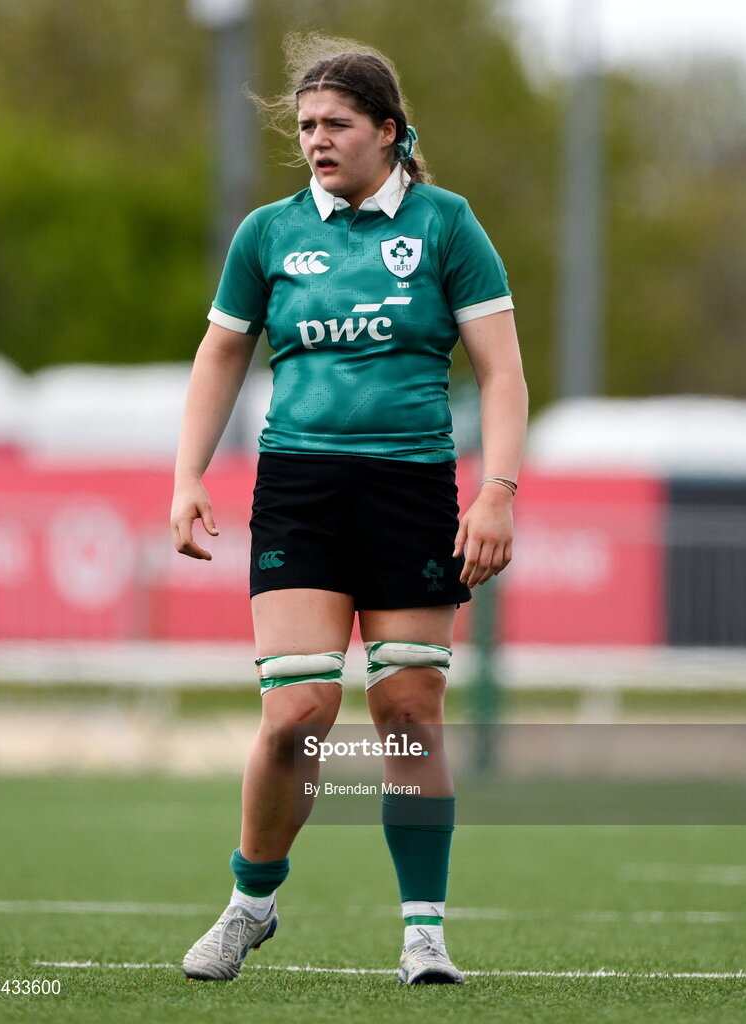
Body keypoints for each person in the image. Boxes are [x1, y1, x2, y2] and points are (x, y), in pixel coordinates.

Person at [170, 33, 528, 986]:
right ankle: (251, 903)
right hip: (300, 489)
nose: (317, 140)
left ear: (388, 131)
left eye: (335, 124)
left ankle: (423, 932)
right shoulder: (269, 233)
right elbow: (219, 356)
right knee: (297, 712)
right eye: (305, 126)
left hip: (412, 488)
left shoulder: (449, 225)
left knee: (408, 710)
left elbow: (500, 372)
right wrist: (187, 475)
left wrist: (497, 487)